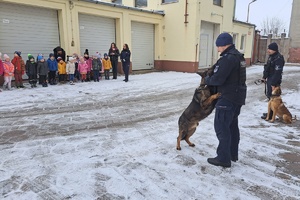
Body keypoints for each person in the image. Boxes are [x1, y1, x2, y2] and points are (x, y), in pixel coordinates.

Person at [204, 32, 247, 168]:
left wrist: (207, 80)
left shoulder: (228, 59)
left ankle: (223, 158)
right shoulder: (239, 57)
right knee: (232, 127)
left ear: (224, 44)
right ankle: (232, 154)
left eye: (218, 46)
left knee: (222, 127)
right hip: (237, 97)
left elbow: (218, 79)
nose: (217, 49)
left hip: (227, 97)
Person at [261, 42, 285, 120]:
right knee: (269, 96)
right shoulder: (271, 57)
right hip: (270, 79)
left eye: (270, 49)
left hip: (275, 80)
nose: (268, 50)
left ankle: (273, 114)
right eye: (268, 49)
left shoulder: (279, 58)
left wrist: (273, 84)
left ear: (274, 50)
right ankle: (270, 113)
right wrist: (264, 77)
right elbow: (267, 68)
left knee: (274, 99)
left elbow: (278, 73)